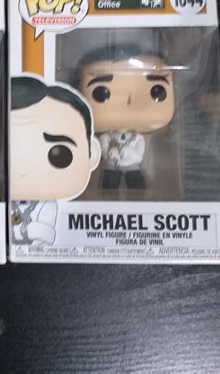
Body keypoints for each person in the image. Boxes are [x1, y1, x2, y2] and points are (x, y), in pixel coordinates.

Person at [10, 75, 100, 245]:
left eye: (59, 155)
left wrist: (27, 232)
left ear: (92, 154)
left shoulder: (47, 206)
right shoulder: (3, 204)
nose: (22, 169)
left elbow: (45, 234)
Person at [79, 43, 175, 190]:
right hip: (111, 165)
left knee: (136, 185)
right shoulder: (107, 137)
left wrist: (126, 152)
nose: (130, 101)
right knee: (109, 186)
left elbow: (139, 155)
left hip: (132, 165)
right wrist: (111, 153)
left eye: (156, 91)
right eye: (101, 93)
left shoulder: (137, 138)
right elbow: (103, 148)